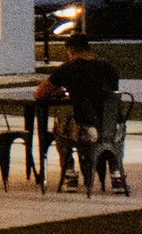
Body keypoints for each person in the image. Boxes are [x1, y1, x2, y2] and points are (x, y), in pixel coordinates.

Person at [34, 28, 121, 178]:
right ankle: (116, 172)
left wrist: (60, 91)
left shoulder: (69, 68)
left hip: (85, 127)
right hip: (113, 126)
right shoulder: (109, 68)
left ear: (71, 50)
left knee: (60, 128)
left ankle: (69, 172)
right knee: (109, 138)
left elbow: (41, 93)